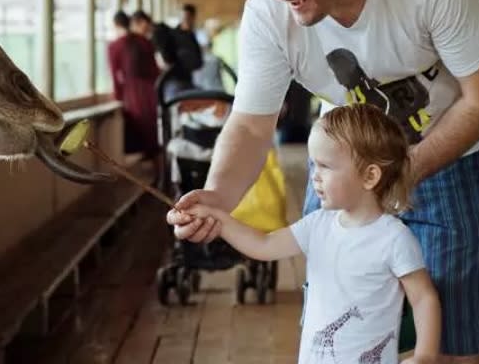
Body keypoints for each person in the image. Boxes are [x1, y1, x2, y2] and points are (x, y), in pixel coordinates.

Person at [166, 0, 479, 363]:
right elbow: (249, 125)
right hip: (345, 159)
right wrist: (217, 199)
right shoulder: (268, 10)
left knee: (453, 319)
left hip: (455, 144)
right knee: (337, 303)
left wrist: (406, 171)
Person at [174, 104, 441, 364]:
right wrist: (218, 218)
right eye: (313, 165)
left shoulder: (394, 239)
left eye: (325, 166)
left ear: (370, 177)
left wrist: (425, 355)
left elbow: (423, 297)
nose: (315, 176)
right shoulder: (317, 225)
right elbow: (264, 245)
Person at [107, 10, 160, 161]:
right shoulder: (145, 42)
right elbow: (155, 70)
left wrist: (118, 96)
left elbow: (114, 75)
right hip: (151, 93)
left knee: (142, 134)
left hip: (132, 96)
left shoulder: (114, 46)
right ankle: (159, 174)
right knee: (154, 135)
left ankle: (152, 174)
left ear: (116, 25)